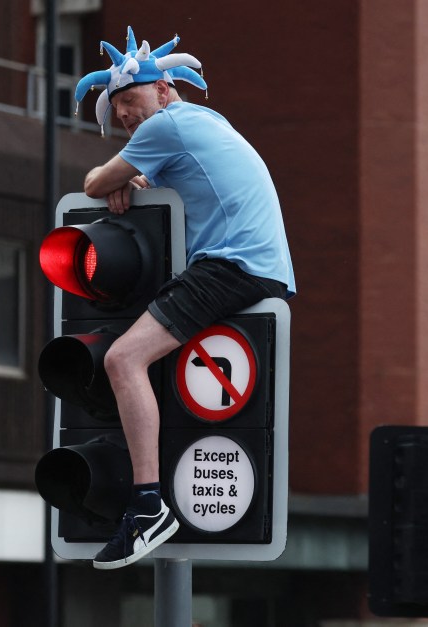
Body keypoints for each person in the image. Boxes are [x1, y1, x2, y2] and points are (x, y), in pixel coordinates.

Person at [72, 27, 295, 570]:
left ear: (165, 91)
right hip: (258, 265)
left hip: (231, 264)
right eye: (118, 109)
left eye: (130, 100)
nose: (125, 115)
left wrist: (117, 176)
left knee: (125, 359)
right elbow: (122, 179)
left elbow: (96, 181)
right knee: (154, 369)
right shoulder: (202, 123)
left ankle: (149, 506)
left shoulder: (167, 123)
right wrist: (129, 177)